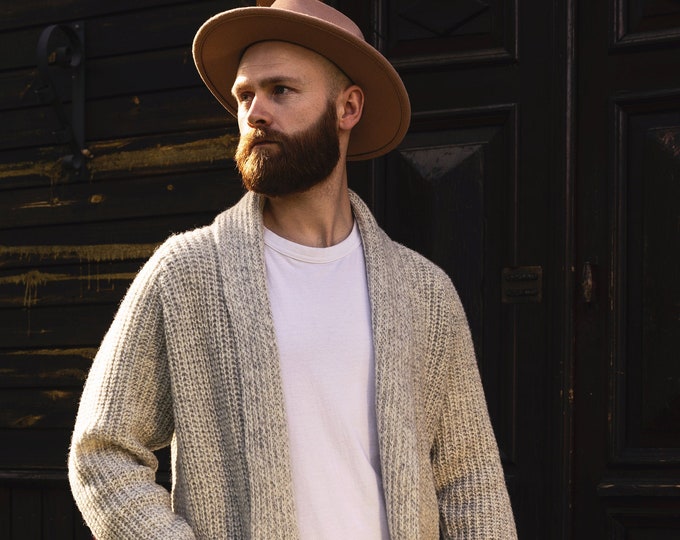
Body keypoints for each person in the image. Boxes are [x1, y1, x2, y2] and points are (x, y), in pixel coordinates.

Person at [68, 1, 517, 538]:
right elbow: (103, 452)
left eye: (280, 90)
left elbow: (470, 482)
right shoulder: (185, 275)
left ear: (347, 107)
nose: (255, 113)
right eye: (245, 96)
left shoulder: (425, 293)